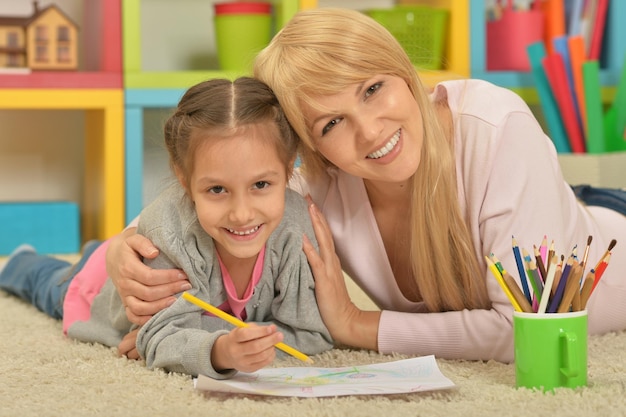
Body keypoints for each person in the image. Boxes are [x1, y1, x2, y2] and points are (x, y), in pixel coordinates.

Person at [105, 8, 626, 363]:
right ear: (306, 152)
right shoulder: (321, 177)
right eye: (331, 123)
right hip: (536, 212)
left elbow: (526, 331)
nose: (370, 130)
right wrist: (121, 248)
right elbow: (222, 185)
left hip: (607, 229)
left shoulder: (498, 128)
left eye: (373, 89)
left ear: (401, 70)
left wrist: (357, 325)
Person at [0, 77, 332, 378]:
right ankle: (22, 262)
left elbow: (310, 335)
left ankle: (90, 252)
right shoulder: (169, 231)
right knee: (47, 285)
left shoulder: (295, 227)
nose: (242, 214)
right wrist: (220, 351)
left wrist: (204, 337)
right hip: (97, 289)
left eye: (261, 184)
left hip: (129, 255)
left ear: (289, 169)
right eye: (217, 190)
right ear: (184, 179)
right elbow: (160, 339)